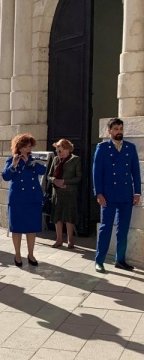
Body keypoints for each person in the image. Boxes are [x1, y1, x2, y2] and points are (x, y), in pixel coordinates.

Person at [93, 117, 141, 273]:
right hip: (108, 195)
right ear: (109, 131)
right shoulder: (102, 148)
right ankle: (99, 261)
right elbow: (97, 173)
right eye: (115, 129)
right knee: (106, 228)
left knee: (123, 228)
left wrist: (137, 192)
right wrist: (98, 193)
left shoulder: (130, 147)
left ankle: (120, 259)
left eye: (120, 129)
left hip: (126, 194)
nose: (119, 132)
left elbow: (136, 172)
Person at [2, 133, 47, 267]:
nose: (29, 149)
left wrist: (30, 162)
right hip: (18, 199)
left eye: (30, 146)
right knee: (17, 228)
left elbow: (43, 170)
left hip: (32, 198)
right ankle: (17, 254)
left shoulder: (33, 160)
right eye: (26, 147)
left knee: (31, 228)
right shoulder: (11, 160)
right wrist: (13, 166)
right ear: (19, 147)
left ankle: (31, 254)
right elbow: (5, 176)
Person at [47, 139, 82, 249]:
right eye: (57, 151)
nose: (58, 153)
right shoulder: (56, 159)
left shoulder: (76, 160)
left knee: (69, 217)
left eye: (60, 151)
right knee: (57, 217)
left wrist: (65, 182)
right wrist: (54, 180)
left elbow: (79, 177)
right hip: (57, 193)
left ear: (67, 150)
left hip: (69, 192)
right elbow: (49, 175)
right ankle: (58, 240)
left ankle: (70, 241)